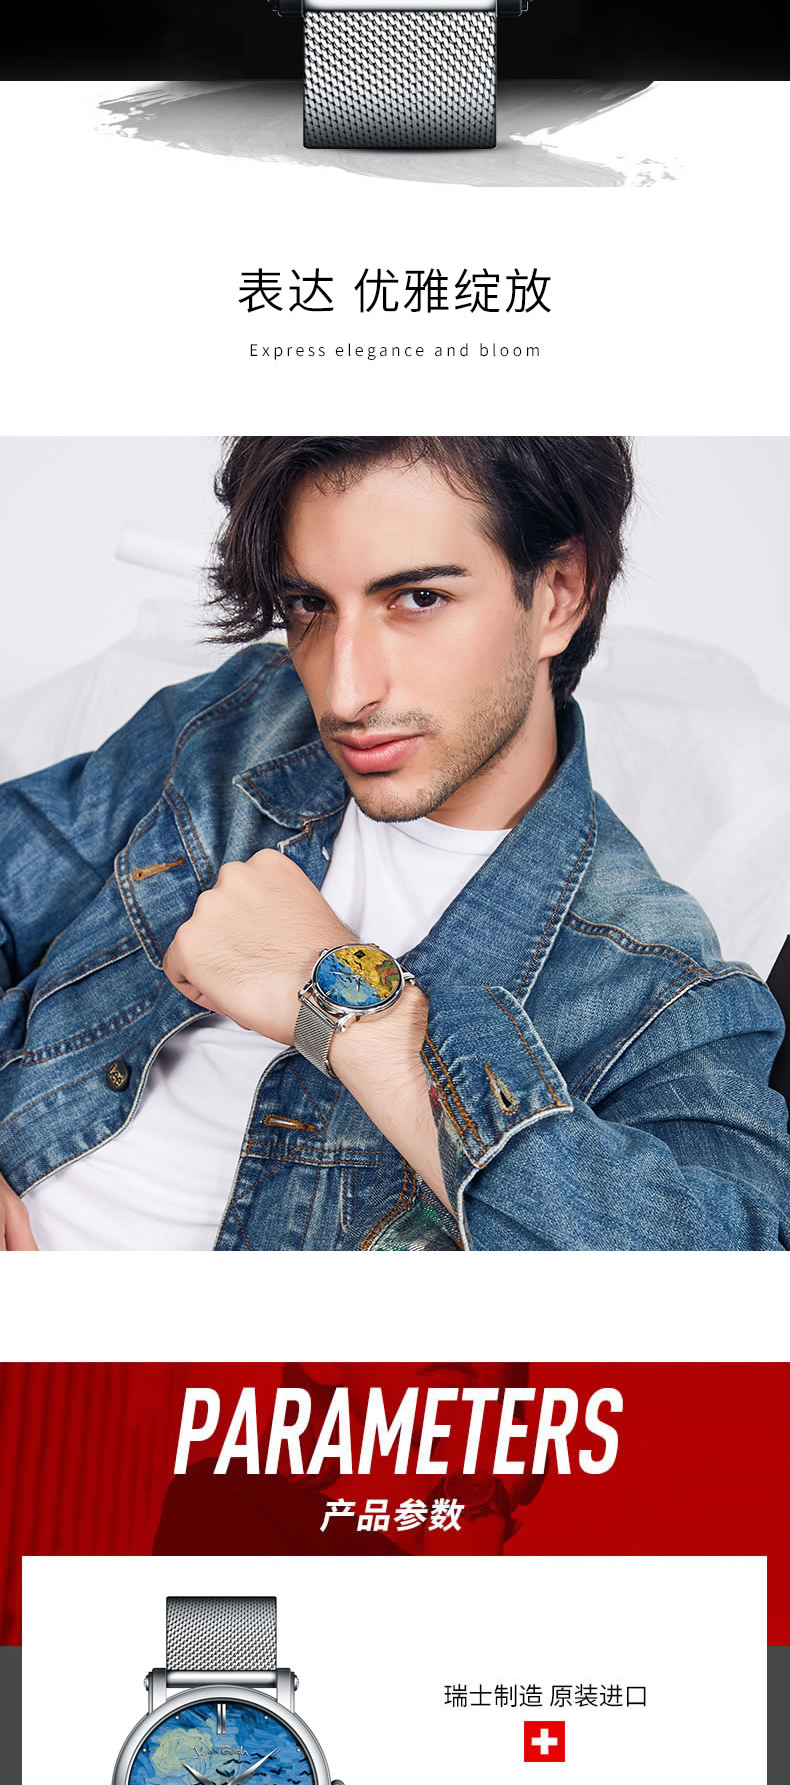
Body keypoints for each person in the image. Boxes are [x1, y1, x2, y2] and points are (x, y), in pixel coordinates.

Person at [0, 430, 787, 1253]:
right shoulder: (241, 721)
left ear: (559, 593)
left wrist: (352, 1009)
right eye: (311, 605)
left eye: (417, 599)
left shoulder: (656, 987)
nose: (344, 692)